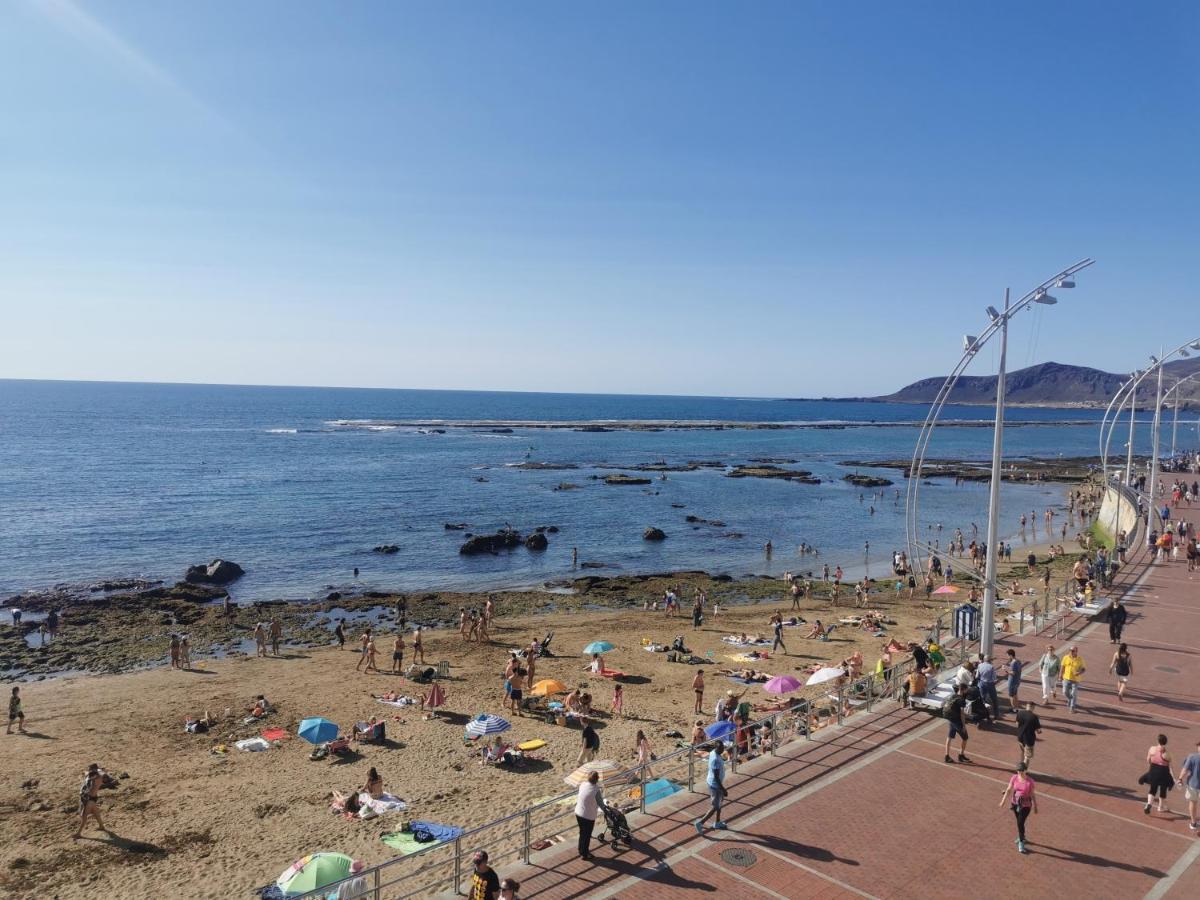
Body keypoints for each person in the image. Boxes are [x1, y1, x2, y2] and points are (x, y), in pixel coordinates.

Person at [998, 762, 1038, 854]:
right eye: (1018, 770)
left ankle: (1021, 843)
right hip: (1015, 804)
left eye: (1021, 770)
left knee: (1020, 823)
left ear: (1025, 770)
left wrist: (1035, 806)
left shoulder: (1030, 781)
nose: (1019, 772)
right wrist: (1003, 801)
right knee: (1020, 822)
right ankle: (1022, 837)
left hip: (1026, 806)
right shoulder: (1014, 778)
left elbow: (1032, 794)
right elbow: (1008, 789)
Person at [694, 742, 729, 833]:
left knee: (719, 803)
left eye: (723, 748)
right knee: (715, 806)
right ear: (717, 748)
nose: (723, 750)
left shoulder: (714, 752)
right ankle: (700, 823)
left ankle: (717, 822)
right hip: (715, 785)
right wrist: (723, 789)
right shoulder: (715, 759)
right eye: (721, 748)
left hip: (716, 784)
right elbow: (716, 777)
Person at [1140, 734, 1177, 815]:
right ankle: (1160, 807)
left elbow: (1148, 760)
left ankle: (1149, 803)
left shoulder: (1152, 749)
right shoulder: (1167, 754)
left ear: (1158, 741)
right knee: (1163, 789)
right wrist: (1174, 778)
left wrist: (1153, 765)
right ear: (1166, 742)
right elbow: (1171, 767)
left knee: (1153, 788)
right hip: (1164, 773)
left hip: (1153, 771)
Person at [575, 771, 602, 860]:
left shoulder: (582, 784)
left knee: (582, 832)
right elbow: (601, 803)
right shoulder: (596, 790)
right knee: (587, 835)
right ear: (597, 779)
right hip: (588, 816)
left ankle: (581, 850)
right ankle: (584, 853)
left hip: (578, 812)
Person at [75, 763, 106, 838]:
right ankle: (101, 826)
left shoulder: (97, 778)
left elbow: (92, 791)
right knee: (96, 812)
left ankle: (78, 833)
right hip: (90, 798)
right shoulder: (92, 775)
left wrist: (84, 791)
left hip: (90, 798)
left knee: (84, 815)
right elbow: (85, 773)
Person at [1177, 738, 1200, 832]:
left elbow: (1185, 770)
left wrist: (1180, 779)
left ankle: (1193, 823)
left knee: (1193, 803)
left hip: (1192, 785)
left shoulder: (1192, 757)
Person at [944, 685, 970, 764]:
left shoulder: (953, 695)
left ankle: (947, 756)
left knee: (949, 737)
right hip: (957, 721)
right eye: (966, 690)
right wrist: (964, 726)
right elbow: (962, 714)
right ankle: (961, 755)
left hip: (951, 719)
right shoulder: (961, 700)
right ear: (964, 690)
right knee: (965, 738)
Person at [1015, 701, 1041, 767]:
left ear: (1026, 706)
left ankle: (1020, 765)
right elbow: (1038, 730)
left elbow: (1017, 724)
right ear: (1033, 707)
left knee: (1022, 752)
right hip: (1029, 740)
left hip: (1020, 737)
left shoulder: (1020, 713)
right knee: (1027, 756)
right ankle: (1024, 770)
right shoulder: (1034, 717)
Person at [1060, 646, 1085, 713]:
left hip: (1075, 680)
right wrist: (1060, 675)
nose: (1071, 652)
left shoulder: (1080, 659)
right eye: (1070, 650)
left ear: (1076, 651)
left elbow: (1083, 669)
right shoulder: (1066, 657)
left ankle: (1072, 707)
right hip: (1066, 678)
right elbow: (1062, 666)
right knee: (1065, 692)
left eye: (1073, 651)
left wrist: (1079, 673)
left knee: (1074, 693)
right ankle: (1070, 699)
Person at [976, 655, 1001, 720]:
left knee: (982, 700)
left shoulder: (980, 665)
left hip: (981, 683)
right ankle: (996, 715)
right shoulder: (991, 667)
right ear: (990, 660)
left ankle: (983, 715)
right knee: (994, 700)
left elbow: (977, 676)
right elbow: (994, 678)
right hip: (990, 684)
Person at [1001, 648, 1023, 713]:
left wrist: (1005, 670)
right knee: (1015, 694)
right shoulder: (1018, 661)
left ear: (1010, 655)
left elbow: (1013, 673)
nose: (1007, 657)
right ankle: (1016, 708)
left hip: (1012, 681)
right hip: (1017, 680)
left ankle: (1013, 708)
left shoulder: (1013, 663)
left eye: (1007, 655)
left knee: (1011, 695)